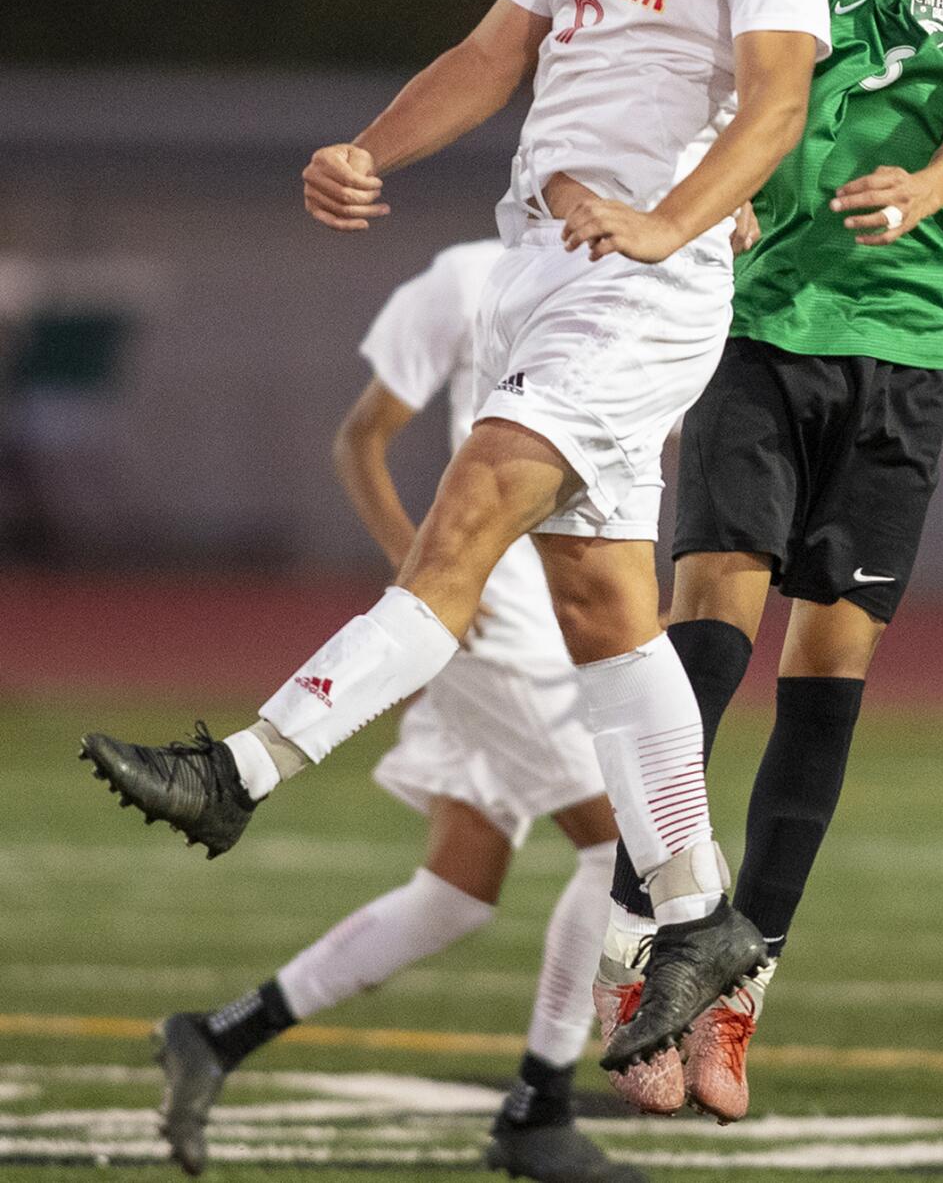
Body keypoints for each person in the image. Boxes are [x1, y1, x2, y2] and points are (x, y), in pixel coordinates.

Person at [81, 0, 833, 1073]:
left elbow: (775, 106)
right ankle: (698, 910)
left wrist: (674, 224)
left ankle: (242, 765)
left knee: (470, 510)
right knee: (609, 609)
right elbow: (498, 54)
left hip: (639, 290)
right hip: (542, 277)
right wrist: (366, 148)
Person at [595, 0, 943, 1121]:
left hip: (902, 366)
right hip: (757, 343)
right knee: (707, 648)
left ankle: (739, 993)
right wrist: (716, 188)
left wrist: (922, 188)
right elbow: (714, 92)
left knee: (827, 682)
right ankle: (645, 967)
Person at [150, 241, 646, 1183]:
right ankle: (538, 1107)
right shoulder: (471, 274)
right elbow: (361, 435)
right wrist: (426, 582)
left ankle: (215, 1038)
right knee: (616, 849)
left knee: (453, 895)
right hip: (500, 623)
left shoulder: (639, 267)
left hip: (551, 615)